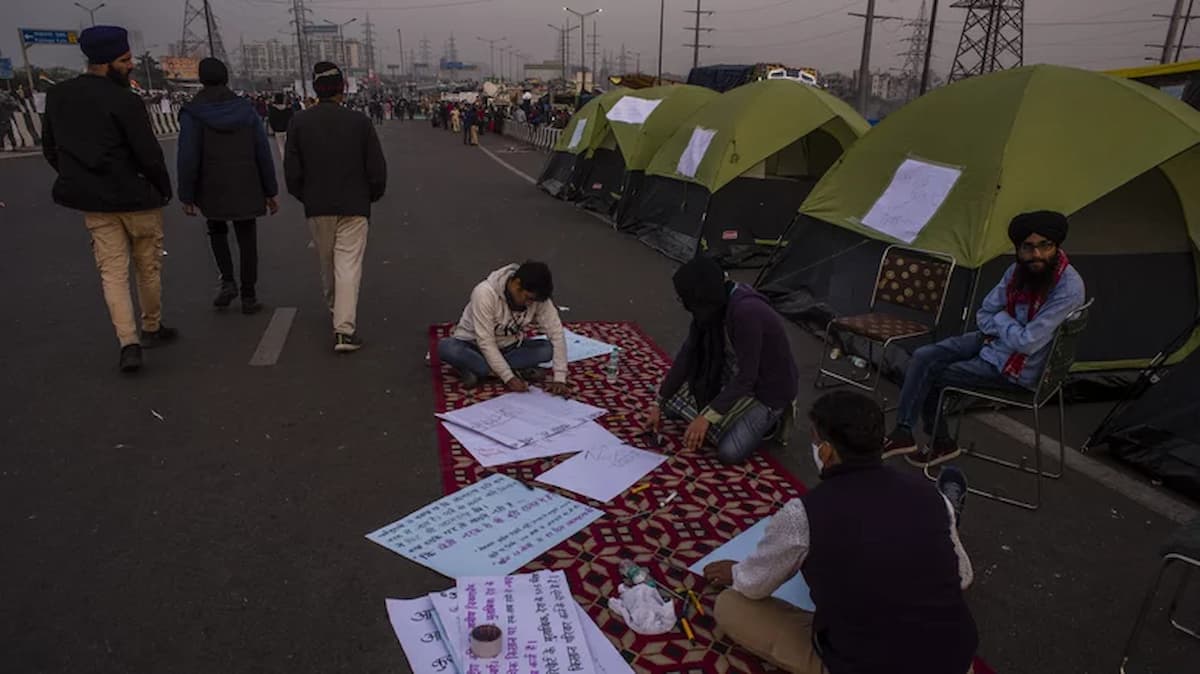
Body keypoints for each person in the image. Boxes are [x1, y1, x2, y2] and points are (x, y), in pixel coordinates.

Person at [703, 390, 978, 674]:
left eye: (814, 439)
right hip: (955, 661)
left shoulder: (804, 514)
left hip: (862, 663)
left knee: (730, 606)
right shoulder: (932, 497)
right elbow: (963, 576)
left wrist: (737, 572)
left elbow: (754, 584)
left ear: (827, 451)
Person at [883, 211, 1086, 467]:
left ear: (1056, 247)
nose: (1037, 255)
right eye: (1029, 247)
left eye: (1045, 246)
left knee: (932, 374)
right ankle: (903, 432)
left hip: (1015, 369)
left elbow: (1027, 343)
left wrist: (1001, 321)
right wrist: (1004, 327)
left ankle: (942, 443)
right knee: (923, 356)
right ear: (1018, 249)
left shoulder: (1068, 288)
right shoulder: (1016, 271)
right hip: (992, 341)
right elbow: (984, 313)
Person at [42, 25, 177, 372]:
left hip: (94, 202)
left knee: (112, 272)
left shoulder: (59, 97)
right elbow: (148, 155)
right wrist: (163, 188)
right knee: (147, 267)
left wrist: (78, 177)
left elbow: (51, 149)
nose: (130, 65)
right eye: (125, 60)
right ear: (104, 63)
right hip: (137, 198)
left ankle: (128, 343)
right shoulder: (125, 100)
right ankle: (151, 325)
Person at [644, 257, 799, 464]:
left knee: (729, 452)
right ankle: (718, 414)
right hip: (731, 374)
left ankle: (772, 422)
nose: (685, 305)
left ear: (700, 298)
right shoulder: (710, 309)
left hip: (765, 391)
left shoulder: (747, 312)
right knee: (670, 408)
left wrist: (706, 417)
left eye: (685, 300)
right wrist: (658, 402)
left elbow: (747, 377)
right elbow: (687, 354)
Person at [285, 62, 387, 353]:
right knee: (347, 266)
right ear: (342, 89)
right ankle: (343, 329)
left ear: (315, 89)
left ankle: (336, 311)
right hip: (354, 206)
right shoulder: (359, 122)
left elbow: (292, 172)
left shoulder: (300, 123)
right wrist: (372, 195)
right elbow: (376, 168)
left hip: (318, 207)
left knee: (327, 262)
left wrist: (306, 196)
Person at [177, 58, 279, 315]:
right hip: (247, 182)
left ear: (201, 79)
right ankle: (249, 295)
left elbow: (187, 154)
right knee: (247, 238)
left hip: (211, 185)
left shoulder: (193, 112)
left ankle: (227, 281)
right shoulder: (245, 109)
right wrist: (270, 191)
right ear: (226, 77)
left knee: (216, 231)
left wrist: (187, 194)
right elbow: (262, 151)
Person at [437, 262, 570, 393]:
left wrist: (560, 378)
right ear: (517, 284)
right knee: (447, 347)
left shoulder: (538, 298)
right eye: (528, 298)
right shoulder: (484, 293)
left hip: (509, 348)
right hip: (473, 345)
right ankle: (502, 370)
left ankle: (479, 370)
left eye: (533, 301)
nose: (530, 304)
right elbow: (485, 342)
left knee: (547, 349)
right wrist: (509, 377)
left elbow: (556, 333)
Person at [267, 92, 294, 159]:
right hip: (287, 130)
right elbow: (292, 119)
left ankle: (283, 159)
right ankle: (289, 159)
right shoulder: (289, 110)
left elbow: (271, 120)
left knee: (281, 147)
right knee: (288, 147)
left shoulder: (272, 110)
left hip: (278, 131)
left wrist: (274, 129)